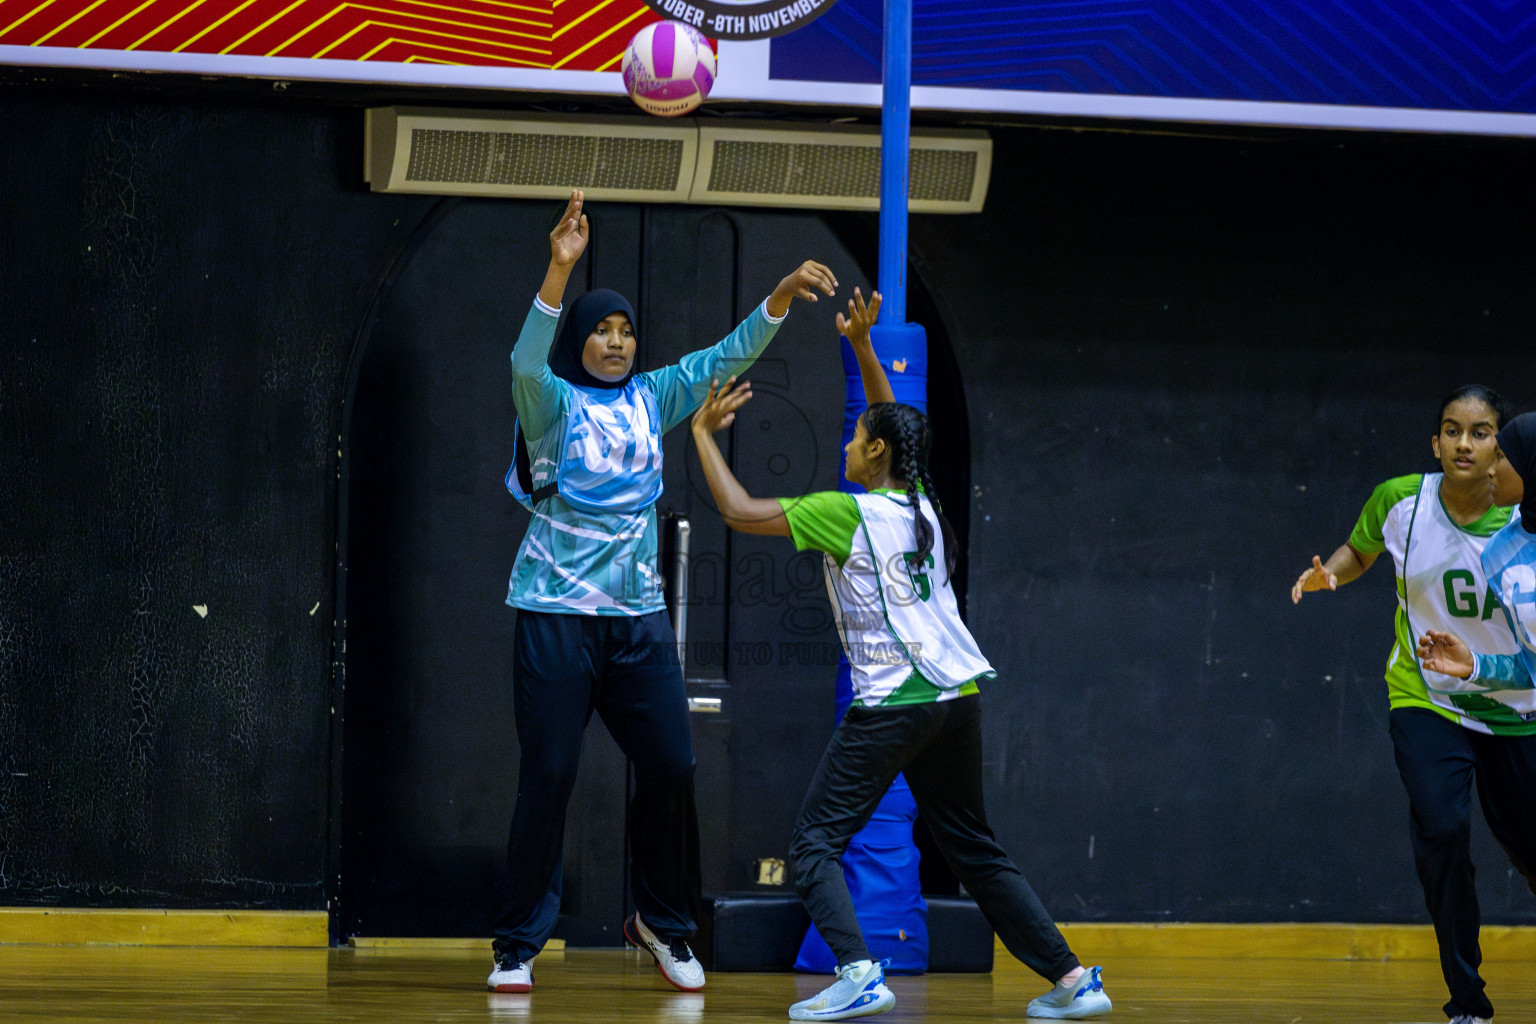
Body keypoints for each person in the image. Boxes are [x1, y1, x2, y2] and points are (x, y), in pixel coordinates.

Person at [688, 288, 1111, 1021]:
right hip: (956, 700)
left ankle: (857, 971)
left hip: (894, 702)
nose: (849, 442)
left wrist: (699, 433)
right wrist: (861, 349)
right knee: (975, 849)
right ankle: (1073, 980)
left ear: (874, 452)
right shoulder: (923, 504)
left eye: (856, 436)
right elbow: (898, 429)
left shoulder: (844, 511)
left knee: (815, 843)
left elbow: (735, 509)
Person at [487, 189, 837, 993]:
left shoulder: (655, 396)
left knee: (673, 768)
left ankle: (662, 923)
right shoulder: (552, 404)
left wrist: (778, 297)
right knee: (548, 774)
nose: (616, 341)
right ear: (582, 339)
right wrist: (559, 269)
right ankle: (518, 944)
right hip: (553, 615)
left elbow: (725, 355)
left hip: (637, 622)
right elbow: (521, 362)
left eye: (626, 330)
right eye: (602, 330)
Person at [1292, 387, 1536, 1024]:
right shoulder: (1402, 499)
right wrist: (1334, 573)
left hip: (1515, 703)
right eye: (1452, 431)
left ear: (1502, 448)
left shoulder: (1524, 524)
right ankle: (1467, 1003)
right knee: (1444, 831)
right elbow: (1363, 548)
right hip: (1429, 697)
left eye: (1481, 433)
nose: (1464, 443)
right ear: (1435, 443)